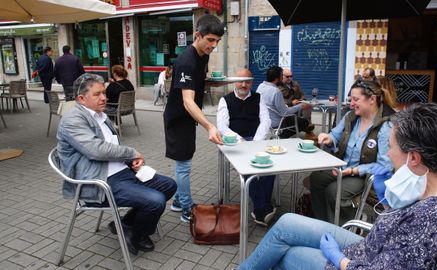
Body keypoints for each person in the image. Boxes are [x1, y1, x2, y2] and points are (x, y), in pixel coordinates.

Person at [239, 103, 437, 270]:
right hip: (371, 247)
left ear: (414, 158)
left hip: (363, 261)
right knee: (288, 223)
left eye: (391, 147)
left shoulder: (431, 221)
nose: (387, 152)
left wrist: (339, 259)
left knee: (287, 255)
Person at [56, 73, 177, 255]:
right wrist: (132, 152)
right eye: (97, 94)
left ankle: (127, 225)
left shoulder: (100, 115)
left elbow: (111, 145)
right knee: (155, 201)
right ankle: (138, 232)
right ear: (81, 98)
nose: (104, 97)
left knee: (169, 185)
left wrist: (130, 161)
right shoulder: (72, 119)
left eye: (104, 92)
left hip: (121, 172)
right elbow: (96, 149)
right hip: (99, 182)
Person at [163, 14, 226, 223]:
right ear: (197, 35)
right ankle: (186, 209)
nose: (214, 45)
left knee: (186, 160)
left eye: (217, 41)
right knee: (184, 165)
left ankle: (179, 202)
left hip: (188, 117)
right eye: (210, 40)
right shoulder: (185, 61)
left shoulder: (204, 55)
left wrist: (213, 84)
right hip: (179, 118)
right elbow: (188, 101)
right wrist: (209, 125)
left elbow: (198, 81)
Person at [309, 79, 396, 225]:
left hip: (364, 174)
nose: (351, 104)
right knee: (316, 179)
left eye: (355, 99)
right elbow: (335, 134)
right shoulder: (351, 116)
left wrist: (353, 170)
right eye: (350, 99)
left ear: (372, 100)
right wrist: (328, 138)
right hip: (342, 165)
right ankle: (323, 224)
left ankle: (346, 227)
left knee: (334, 191)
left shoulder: (385, 125)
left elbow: (385, 165)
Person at [217, 68, 275, 226]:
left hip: (257, 140)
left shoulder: (258, 97)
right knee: (248, 169)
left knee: (270, 168)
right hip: (236, 143)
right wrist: (241, 141)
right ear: (234, 82)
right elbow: (222, 126)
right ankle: (263, 208)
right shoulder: (225, 100)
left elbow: (266, 121)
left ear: (252, 82)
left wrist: (255, 142)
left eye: (247, 81)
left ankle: (260, 208)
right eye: (240, 81)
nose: (243, 84)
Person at [256, 66, 315, 139]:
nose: (283, 78)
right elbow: (284, 113)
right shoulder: (276, 91)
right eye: (282, 75)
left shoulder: (260, 86)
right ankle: (279, 136)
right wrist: (301, 106)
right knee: (304, 122)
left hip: (263, 120)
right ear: (277, 78)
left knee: (298, 119)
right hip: (277, 123)